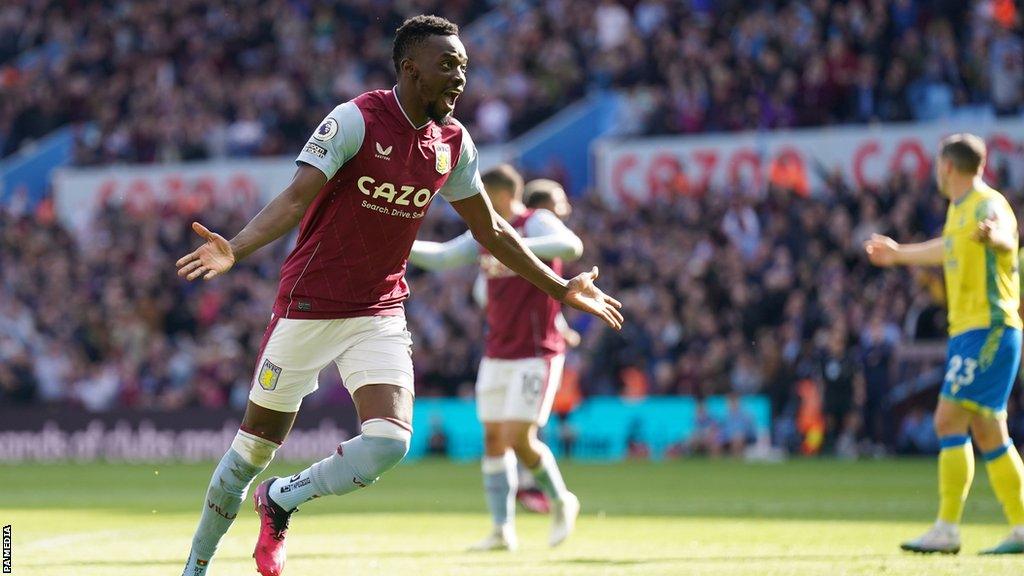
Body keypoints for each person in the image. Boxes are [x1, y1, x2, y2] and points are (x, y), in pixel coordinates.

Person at [175, 16, 623, 576]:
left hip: (378, 311)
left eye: (464, 65)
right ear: (411, 69)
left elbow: (492, 231)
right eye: (448, 66)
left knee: (389, 441)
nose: (461, 77)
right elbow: (294, 200)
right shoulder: (354, 120)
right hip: (309, 305)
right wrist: (235, 249)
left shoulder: (453, 144)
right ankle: (196, 565)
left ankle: (282, 498)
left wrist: (560, 288)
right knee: (249, 455)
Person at [408, 171, 584, 550]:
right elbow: (443, 257)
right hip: (497, 351)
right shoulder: (484, 231)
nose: (476, 199)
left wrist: (511, 245)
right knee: (493, 439)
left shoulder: (532, 220)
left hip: (536, 351)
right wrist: (398, 244)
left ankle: (561, 500)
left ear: (502, 194)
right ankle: (502, 530)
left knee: (520, 436)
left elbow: (570, 246)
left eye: (482, 192)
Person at [866, 133, 1024, 555]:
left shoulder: (988, 204)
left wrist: (997, 239)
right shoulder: (958, 211)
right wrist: (899, 255)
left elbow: (1009, 236)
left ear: (947, 167)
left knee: (947, 420)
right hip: (971, 331)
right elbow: (948, 249)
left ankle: (947, 528)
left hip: (989, 328)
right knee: (989, 433)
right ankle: (1020, 527)